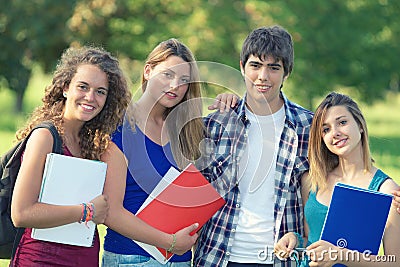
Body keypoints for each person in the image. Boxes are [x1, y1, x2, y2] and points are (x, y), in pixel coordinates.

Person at [193, 25, 314, 267]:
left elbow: (334, 182)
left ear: (286, 72)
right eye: (255, 66)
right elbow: (195, 193)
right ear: (242, 66)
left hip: (281, 259)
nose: (263, 76)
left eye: (273, 67)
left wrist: (385, 190)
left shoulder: (307, 127)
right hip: (218, 255)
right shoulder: (216, 124)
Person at [10, 46, 131, 266]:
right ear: (66, 88)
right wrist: (87, 211)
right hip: (39, 259)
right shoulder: (45, 136)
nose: (90, 97)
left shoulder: (95, 145)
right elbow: (21, 213)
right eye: (83, 87)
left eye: (100, 91)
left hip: (84, 258)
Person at [101, 38, 206, 267]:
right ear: (148, 71)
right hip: (132, 258)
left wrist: (230, 102)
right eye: (168, 74)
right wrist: (169, 242)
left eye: (184, 80)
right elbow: (111, 212)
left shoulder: (187, 131)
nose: (175, 85)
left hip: (180, 260)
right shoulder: (120, 127)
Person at [274, 92, 400, 266]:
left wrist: (340, 255)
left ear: (360, 125)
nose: (335, 133)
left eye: (342, 122)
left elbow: (394, 262)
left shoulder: (386, 190)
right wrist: (294, 240)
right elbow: (312, 238)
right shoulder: (312, 180)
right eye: (326, 129)